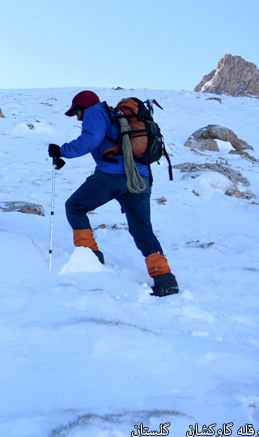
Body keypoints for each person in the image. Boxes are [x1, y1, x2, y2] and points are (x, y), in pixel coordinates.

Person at [48, 90, 180, 297]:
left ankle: (89, 255)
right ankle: (164, 277)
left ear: (82, 107)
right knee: (142, 228)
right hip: (141, 178)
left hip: (113, 174)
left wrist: (62, 151)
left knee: (75, 206)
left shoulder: (95, 111)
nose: (77, 117)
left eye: (76, 112)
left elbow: (91, 139)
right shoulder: (115, 116)